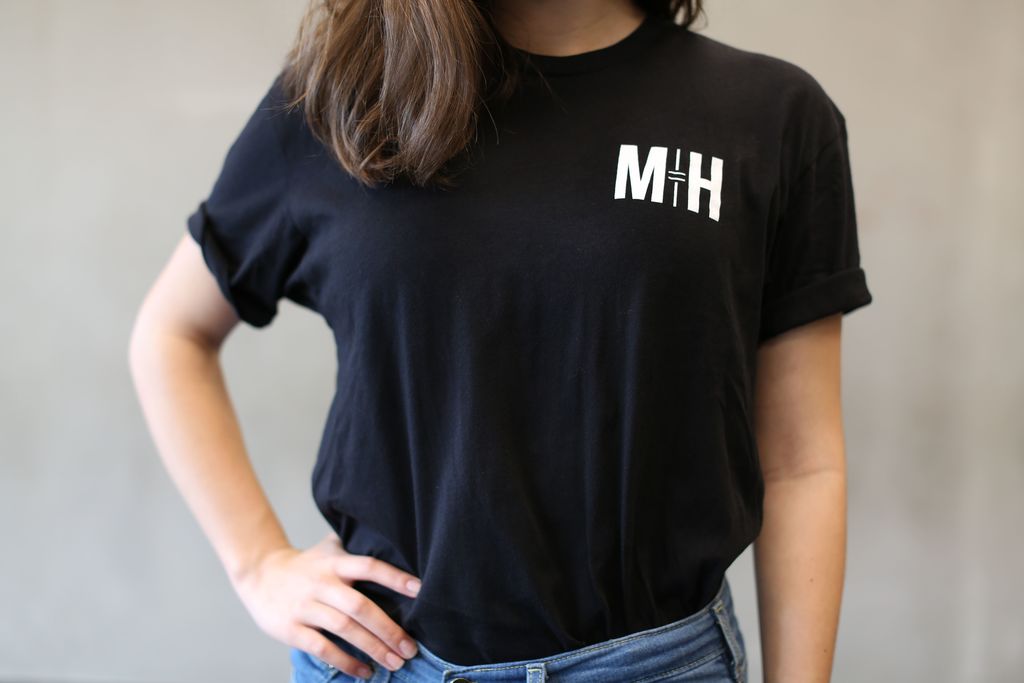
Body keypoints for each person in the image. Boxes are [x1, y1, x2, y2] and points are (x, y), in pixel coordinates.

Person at [128, 0, 874, 681]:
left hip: (655, 666)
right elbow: (172, 333)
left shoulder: (770, 114)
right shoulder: (339, 101)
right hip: (385, 664)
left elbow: (801, 462)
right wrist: (259, 564)